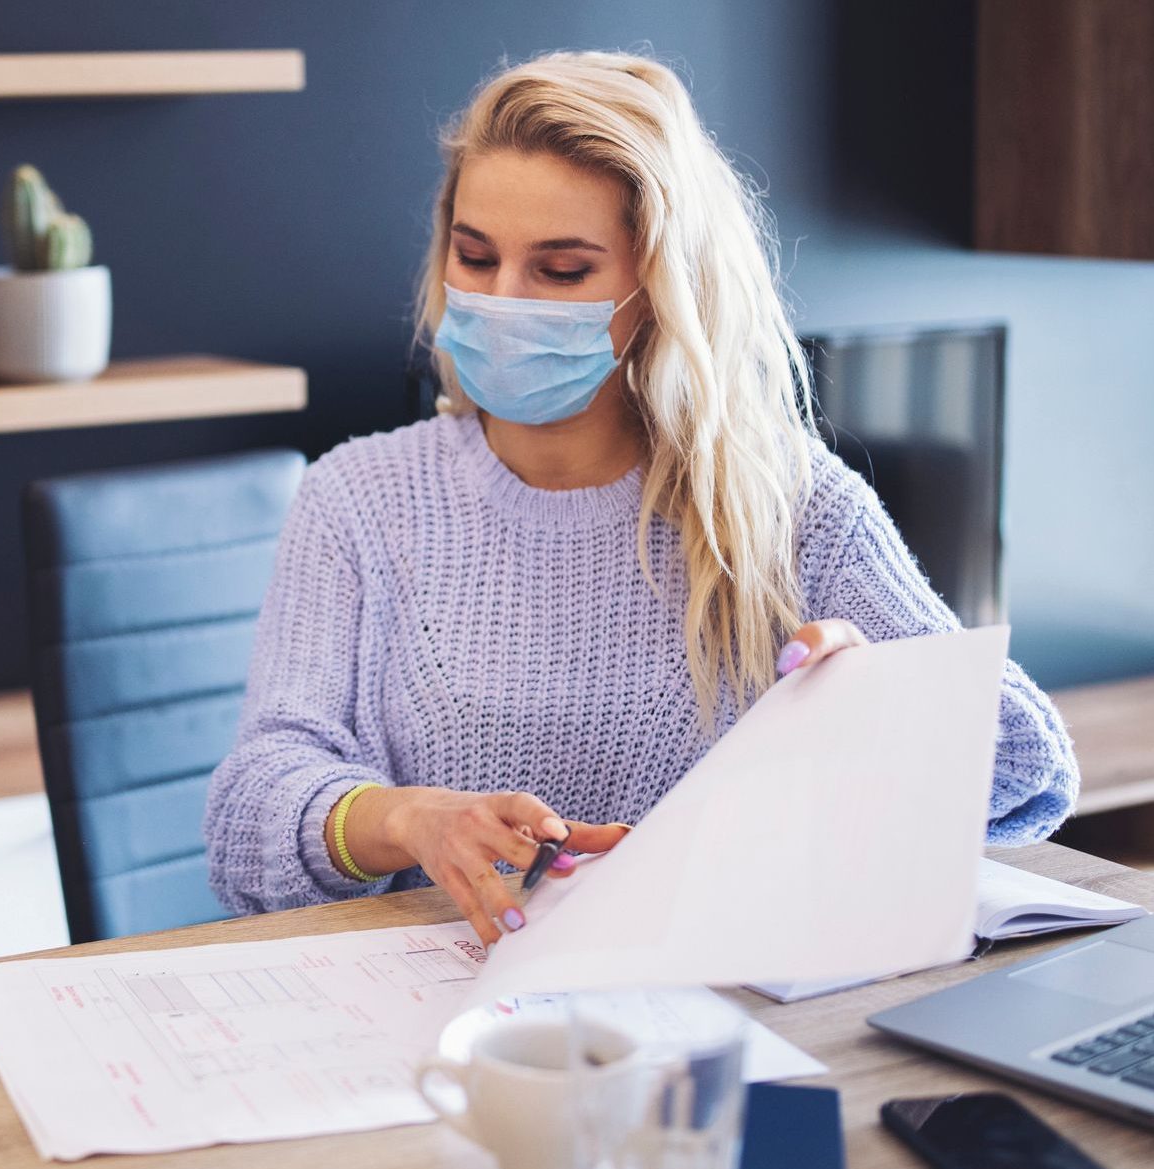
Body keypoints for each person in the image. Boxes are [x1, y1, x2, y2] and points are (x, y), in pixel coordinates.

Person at [204, 50, 1078, 949]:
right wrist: (404, 819)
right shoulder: (357, 495)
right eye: (475, 254)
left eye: (562, 271)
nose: (501, 300)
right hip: (427, 1004)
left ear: (658, 287)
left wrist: (885, 700)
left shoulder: (786, 502)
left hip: (704, 1008)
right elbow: (249, 810)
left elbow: (1022, 764)